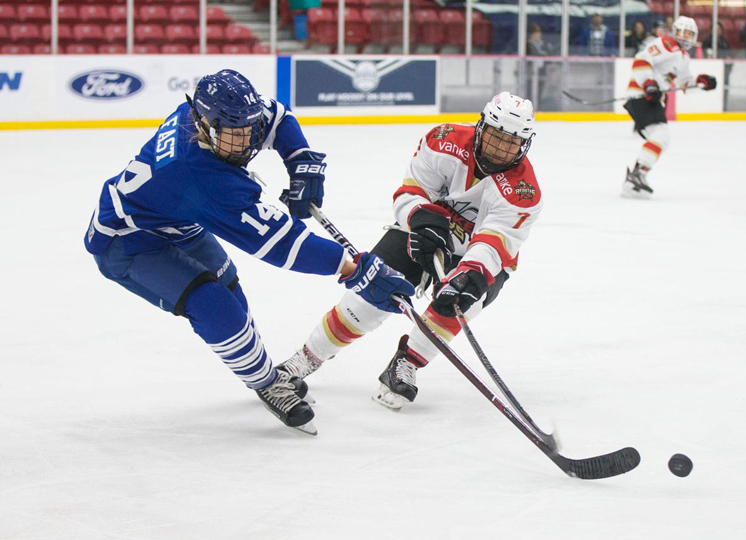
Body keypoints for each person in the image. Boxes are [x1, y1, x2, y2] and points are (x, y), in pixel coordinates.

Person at [83, 69, 414, 435]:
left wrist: (300, 161)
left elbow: (279, 117)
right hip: (127, 241)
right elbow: (279, 243)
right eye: (233, 134)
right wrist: (352, 269)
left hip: (175, 220)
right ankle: (266, 383)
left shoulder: (208, 117)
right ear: (205, 125)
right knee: (213, 304)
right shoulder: (198, 174)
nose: (244, 143)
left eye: (247, 130)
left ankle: (260, 370)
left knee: (230, 290)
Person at [276, 92, 541, 411]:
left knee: (460, 304)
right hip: (423, 229)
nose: (500, 149)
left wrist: (470, 273)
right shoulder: (444, 140)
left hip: (478, 254)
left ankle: (407, 363)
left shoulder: (524, 191)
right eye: (496, 137)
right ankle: (305, 359)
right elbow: (409, 192)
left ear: (524, 145)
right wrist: (421, 218)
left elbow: (495, 241)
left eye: (511, 143)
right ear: (481, 127)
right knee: (371, 293)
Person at [622, 16, 717, 198]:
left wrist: (701, 82)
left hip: (652, 98)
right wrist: (648, 84)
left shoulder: (683, 57)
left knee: (662, 139)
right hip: (641, 94)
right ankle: (637, 174)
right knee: (661, 136)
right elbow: (641, 60)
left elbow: (684, 82)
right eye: (683, 32)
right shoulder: (665, 44)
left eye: (690, 34)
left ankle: (637, 174)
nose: (686, 37)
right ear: (675, 31)